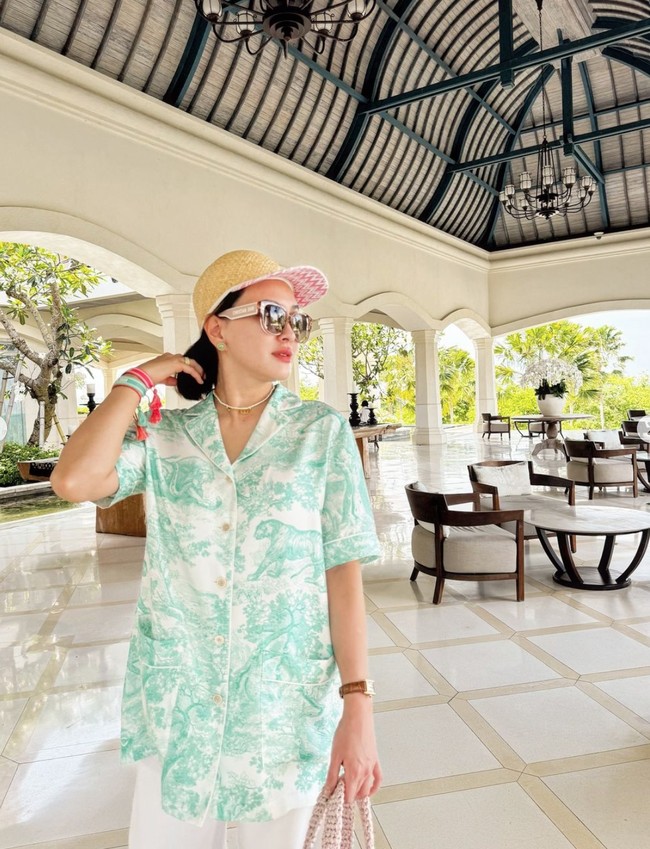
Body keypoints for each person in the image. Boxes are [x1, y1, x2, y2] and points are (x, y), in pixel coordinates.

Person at [51, 249, 382, 849]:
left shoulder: (321, 433)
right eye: (272, 314)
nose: (290, 333)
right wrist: (137, 380)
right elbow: (74, 481)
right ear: (217, 328)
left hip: (283, 705)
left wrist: (357, 704)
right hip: (179, 707)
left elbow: (343, 575)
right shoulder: (168, 438)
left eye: (298, 321)